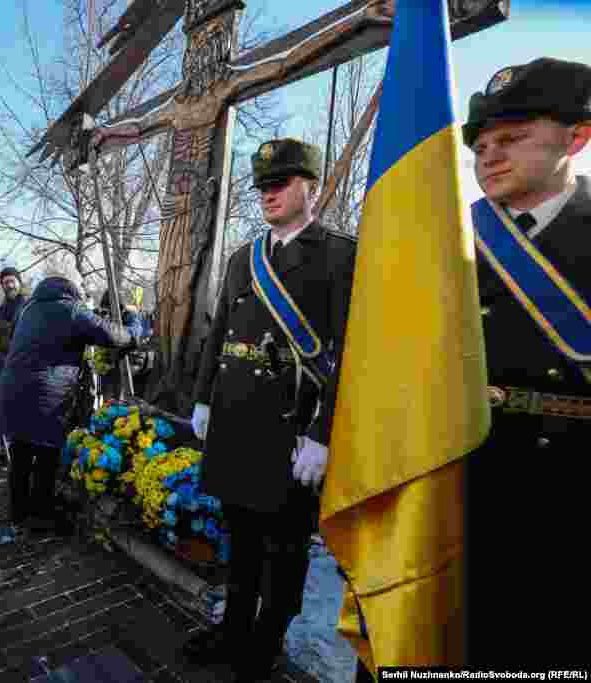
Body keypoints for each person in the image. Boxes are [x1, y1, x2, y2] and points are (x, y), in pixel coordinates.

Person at [185, 139, 357, 679]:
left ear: (310, 186)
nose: (267, 196)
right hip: (237, 421)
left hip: (293, 429)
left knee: (283, 551)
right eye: (262, 187)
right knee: (241, 542)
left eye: (279, 184)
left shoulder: (340, 254)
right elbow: (218, 335)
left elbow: (353, 349)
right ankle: (233, 630)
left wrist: (325, 431)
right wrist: (203, 396)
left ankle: (266, 642)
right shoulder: (244, 257)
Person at [461, 57, 591, 667]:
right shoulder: (447, 241)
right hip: (454, 480)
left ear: (577, 136)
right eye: (481, 144)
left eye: (511, 139)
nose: (490, 155)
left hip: (564, 500)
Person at [0, 264, 139, 536]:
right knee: (46, 455)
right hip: (45, 397)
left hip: (13, 390)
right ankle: (41, 517)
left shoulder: (30, 307)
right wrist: (133, 325)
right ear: (71, 287)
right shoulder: (70, 308)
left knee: (21, 455)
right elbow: (113, 336)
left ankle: (18, 513)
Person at [0, 267, 28, 423]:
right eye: (5, 282)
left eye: (12, 281)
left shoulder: (27, 305)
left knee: (21, 405)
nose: (9, 285)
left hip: (21, 362)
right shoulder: (2, 308)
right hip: (2, 363)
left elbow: (17, 329)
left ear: (19, 282)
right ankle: (8, 441)